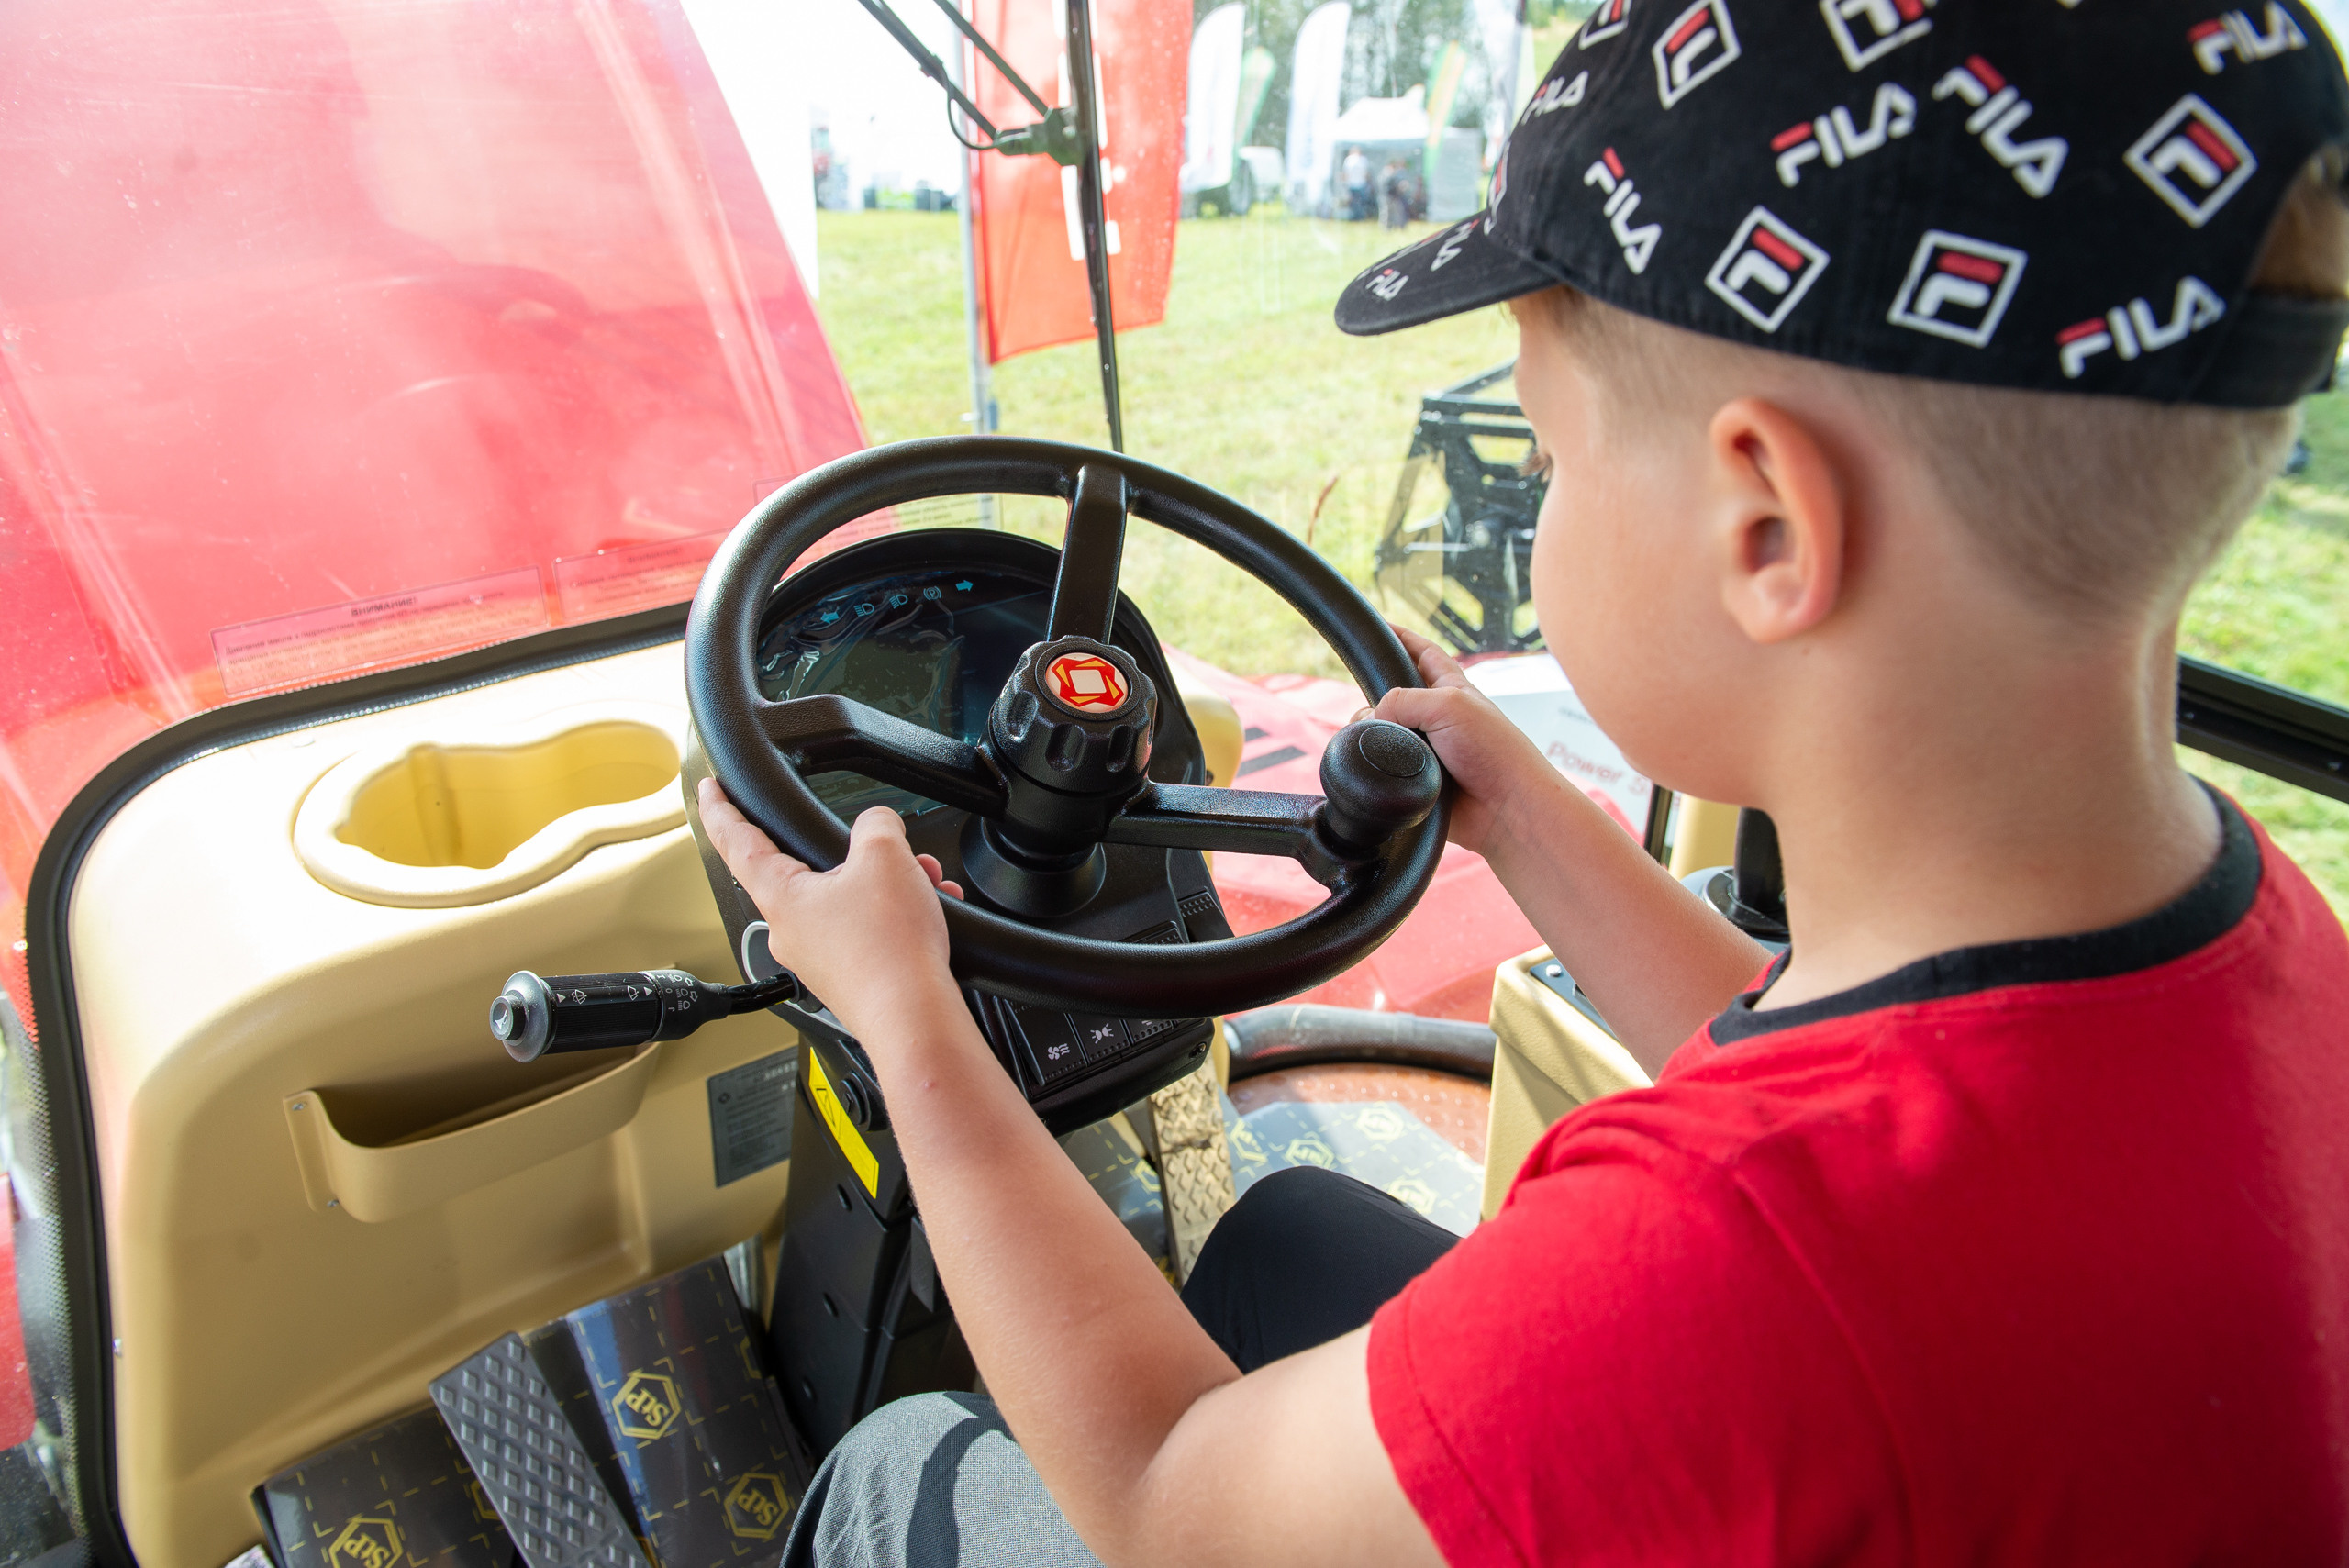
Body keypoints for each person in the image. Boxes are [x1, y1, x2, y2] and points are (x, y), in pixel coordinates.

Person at [699, 2, 2349, 1562]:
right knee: (1286, 1234)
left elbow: (1164, 1496)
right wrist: (1529, 814)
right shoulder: (2255, 926)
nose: (1537, 490)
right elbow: (1818, 1067)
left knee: (897, 1463)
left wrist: (905, 1013)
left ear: (1767, 525)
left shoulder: (1727, 1253)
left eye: (1550, 455)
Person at [1341, 143, 1371, 220]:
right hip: (1360, 184)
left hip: (1352, 184)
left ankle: (1354, 217)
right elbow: (1366, 174)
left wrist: (1344, 184)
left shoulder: (1348, 160)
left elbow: (1345, 174)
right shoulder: (1363, 160)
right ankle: (1359, 217)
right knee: (1360, 202)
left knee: (1354, 202)